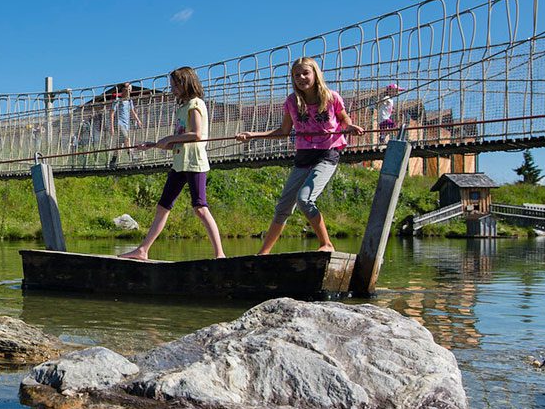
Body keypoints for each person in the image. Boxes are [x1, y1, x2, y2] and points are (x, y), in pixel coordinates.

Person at [236, 57, 364, 254]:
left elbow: (344, 120)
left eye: (306, 73)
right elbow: (284, 131)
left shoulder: (331, 97)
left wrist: (350, 127)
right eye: (297, 75)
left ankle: (326, 244)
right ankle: (263, 253)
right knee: (283, 207)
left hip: (327, 154)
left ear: (315, 74)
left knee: (305, 199)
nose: (302, 78)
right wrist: (253, 135)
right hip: (303, 156)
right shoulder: (292, 102)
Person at [118, 66, 225, 260]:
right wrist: (154, 145)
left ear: (187, 83)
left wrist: (168, 138)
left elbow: (196, 135)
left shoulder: (195, 104)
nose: (173, 89)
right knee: (163, 207)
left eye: (176, 85)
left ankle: (220, 254)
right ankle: (142, 250)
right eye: (172, 85)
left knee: (200, 208)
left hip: (194, 163)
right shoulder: (182, 107)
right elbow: (179, 140)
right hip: (179, 164)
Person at [108, 82, 142, 167]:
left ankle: (113, 161)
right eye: (127, 89)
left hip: (126, 124)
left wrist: (138, 120)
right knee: (127, 138)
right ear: (123, 90)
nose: (129, 91)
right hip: (119, 124)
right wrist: (112, 127)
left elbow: (132, 112)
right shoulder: (118, 100)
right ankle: (132, 156)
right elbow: (112, 113)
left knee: (120, 144)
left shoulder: (129, 101)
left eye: (130, 89)